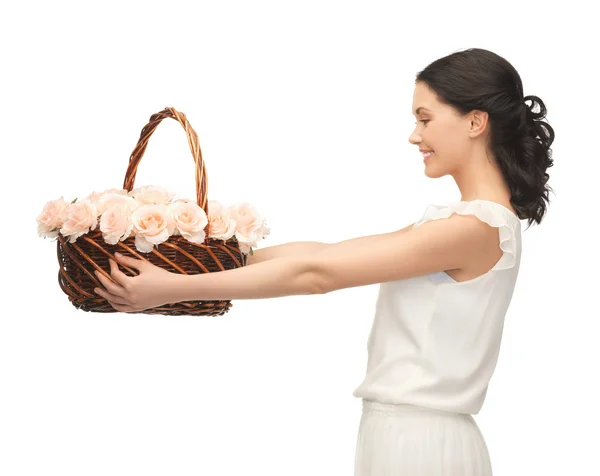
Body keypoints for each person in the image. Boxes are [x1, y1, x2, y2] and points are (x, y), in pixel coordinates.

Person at [94, 47, 555, 475]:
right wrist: (211, 257)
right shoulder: (464, 222)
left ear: (476, 122)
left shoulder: (474, 227)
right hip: (406, 435)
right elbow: (325, 254)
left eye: (425, 118)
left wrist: (170, 288)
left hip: (421, 442)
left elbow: (319, 275)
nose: (415, 135)